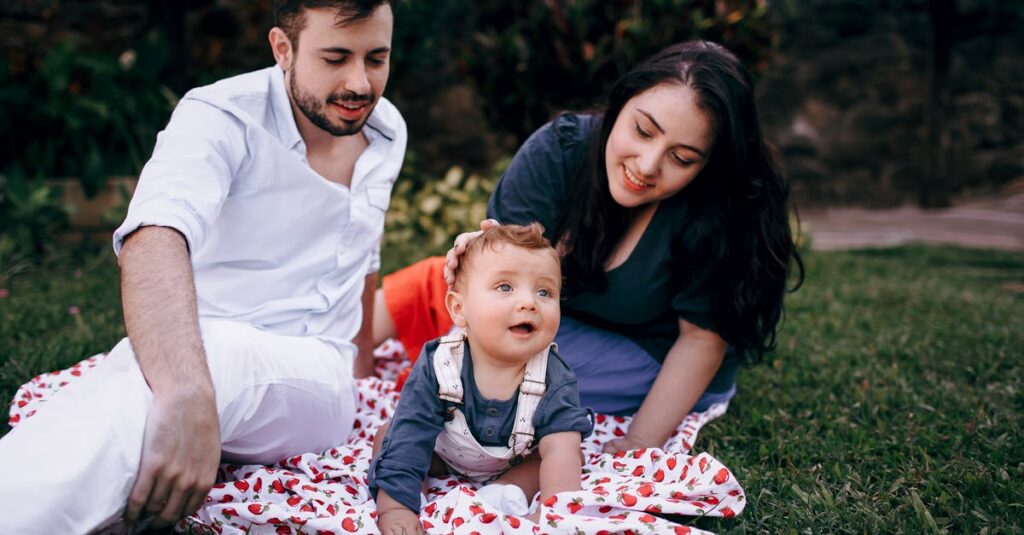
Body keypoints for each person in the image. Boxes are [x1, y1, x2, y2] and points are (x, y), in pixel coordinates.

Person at [0, 1, 405, 532]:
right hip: (189, 352)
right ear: (283, 49)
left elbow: (362, 253)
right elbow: (155, 233)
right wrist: (185, 392)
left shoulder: (388, 130)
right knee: (145, 388)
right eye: (335, 58)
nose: (360, 83)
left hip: (315, 382)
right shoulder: (221, 114)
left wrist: (364, 374)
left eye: (377, 58)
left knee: (211, 361)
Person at [375, 40, 803, 455]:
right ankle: (347, 364)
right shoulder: (562, 148)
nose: (648, 165)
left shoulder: (718, 211)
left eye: (683, 158)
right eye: (642, 130)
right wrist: (483, 253)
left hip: (655, 352)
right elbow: (507, 265)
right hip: (559, 317)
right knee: (433, 281)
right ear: (621, 103)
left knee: (501, 372)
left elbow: (699, 341)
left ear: (710, 164)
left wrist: (640, 442)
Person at [369, 224, 592, 534]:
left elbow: (560, 447)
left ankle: (505, 492)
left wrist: (554, 515)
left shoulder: (553, 374)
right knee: (391, 436)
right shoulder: (440, 362)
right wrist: (395, 508)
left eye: (544, 291)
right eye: (505, 287)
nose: (529, 302)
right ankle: (406, 498)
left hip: (514, 461)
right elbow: (413, 429)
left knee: (564, 456)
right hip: (443, 453)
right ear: (459, 309)